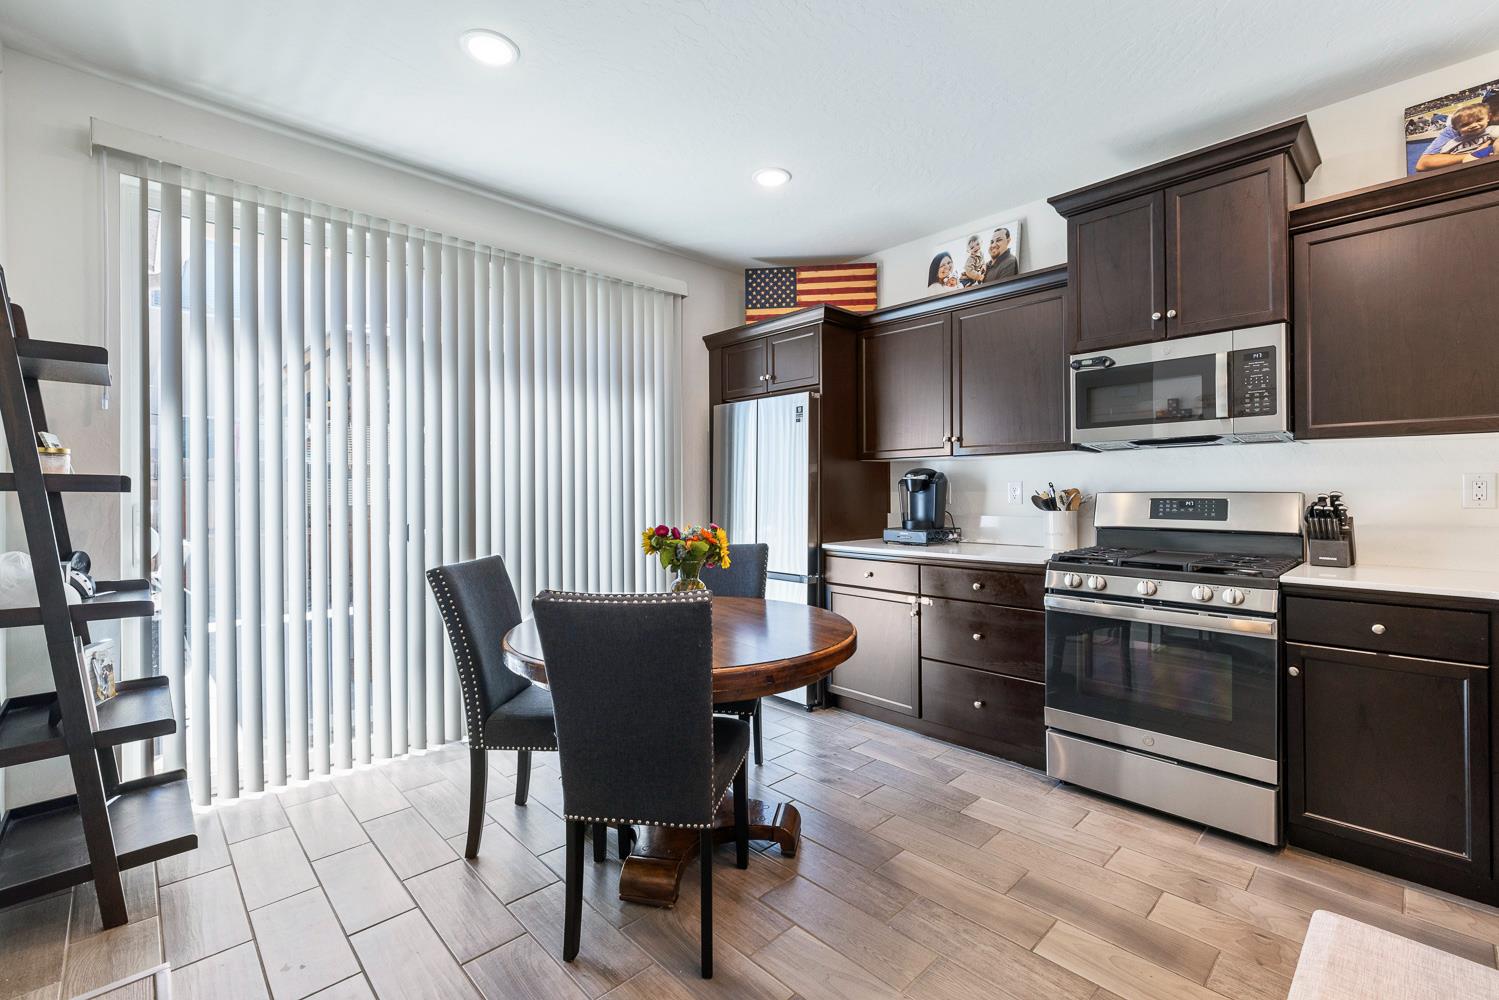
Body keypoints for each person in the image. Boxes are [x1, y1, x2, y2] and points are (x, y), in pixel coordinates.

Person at [1416, 103, 1498, 171]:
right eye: (1465, 124)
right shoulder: (1454, 138)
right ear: (1456, 128)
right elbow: (1422, 164)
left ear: (1488, 117)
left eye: (1479, 120)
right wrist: (1476, 154)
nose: (1473, 125)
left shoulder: (1492, 129)